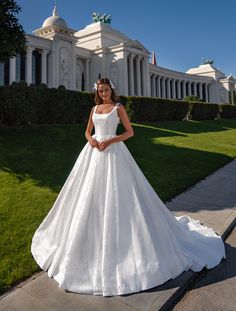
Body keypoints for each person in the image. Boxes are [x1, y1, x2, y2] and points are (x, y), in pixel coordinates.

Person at [31, 78, 226, 297]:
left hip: (114, 153)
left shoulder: (118, 107)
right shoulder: (94, 108)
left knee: (120, 196)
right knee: (86, 196)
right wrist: (92, 141)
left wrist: (110, 141)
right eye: (100, 90)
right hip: (93, 154)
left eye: (106, 90)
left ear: (111, 90)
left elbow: (129, 132)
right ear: (97, 91)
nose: (103, 93)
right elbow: (87, 131)